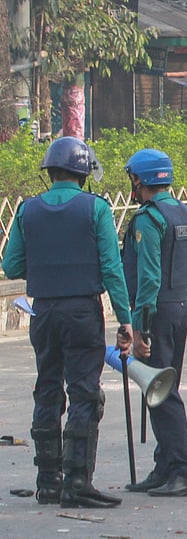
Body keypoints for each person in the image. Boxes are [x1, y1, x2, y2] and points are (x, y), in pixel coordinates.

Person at [2, 136, 133, 509]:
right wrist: (126, 321)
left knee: (47, 389)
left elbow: (11, 265)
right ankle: (77, 481)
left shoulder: (28, 210)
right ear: (84, 174)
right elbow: (112, 269)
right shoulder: (96, 209)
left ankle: (47, 482)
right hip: (81, 313)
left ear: (51, 172)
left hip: (42, 312)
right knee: (84, 393)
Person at [120, 148, 187, 497]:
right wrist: (181, 304)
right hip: (179, 308)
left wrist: (142, 329)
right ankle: (164, 466)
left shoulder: (148, 220)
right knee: (164, 387)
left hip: (157, 313)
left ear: (142, 179)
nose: (132, 186)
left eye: (133, 179)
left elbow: (148, 279)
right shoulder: (182, 212)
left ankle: (184, 470)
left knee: (162, 393)